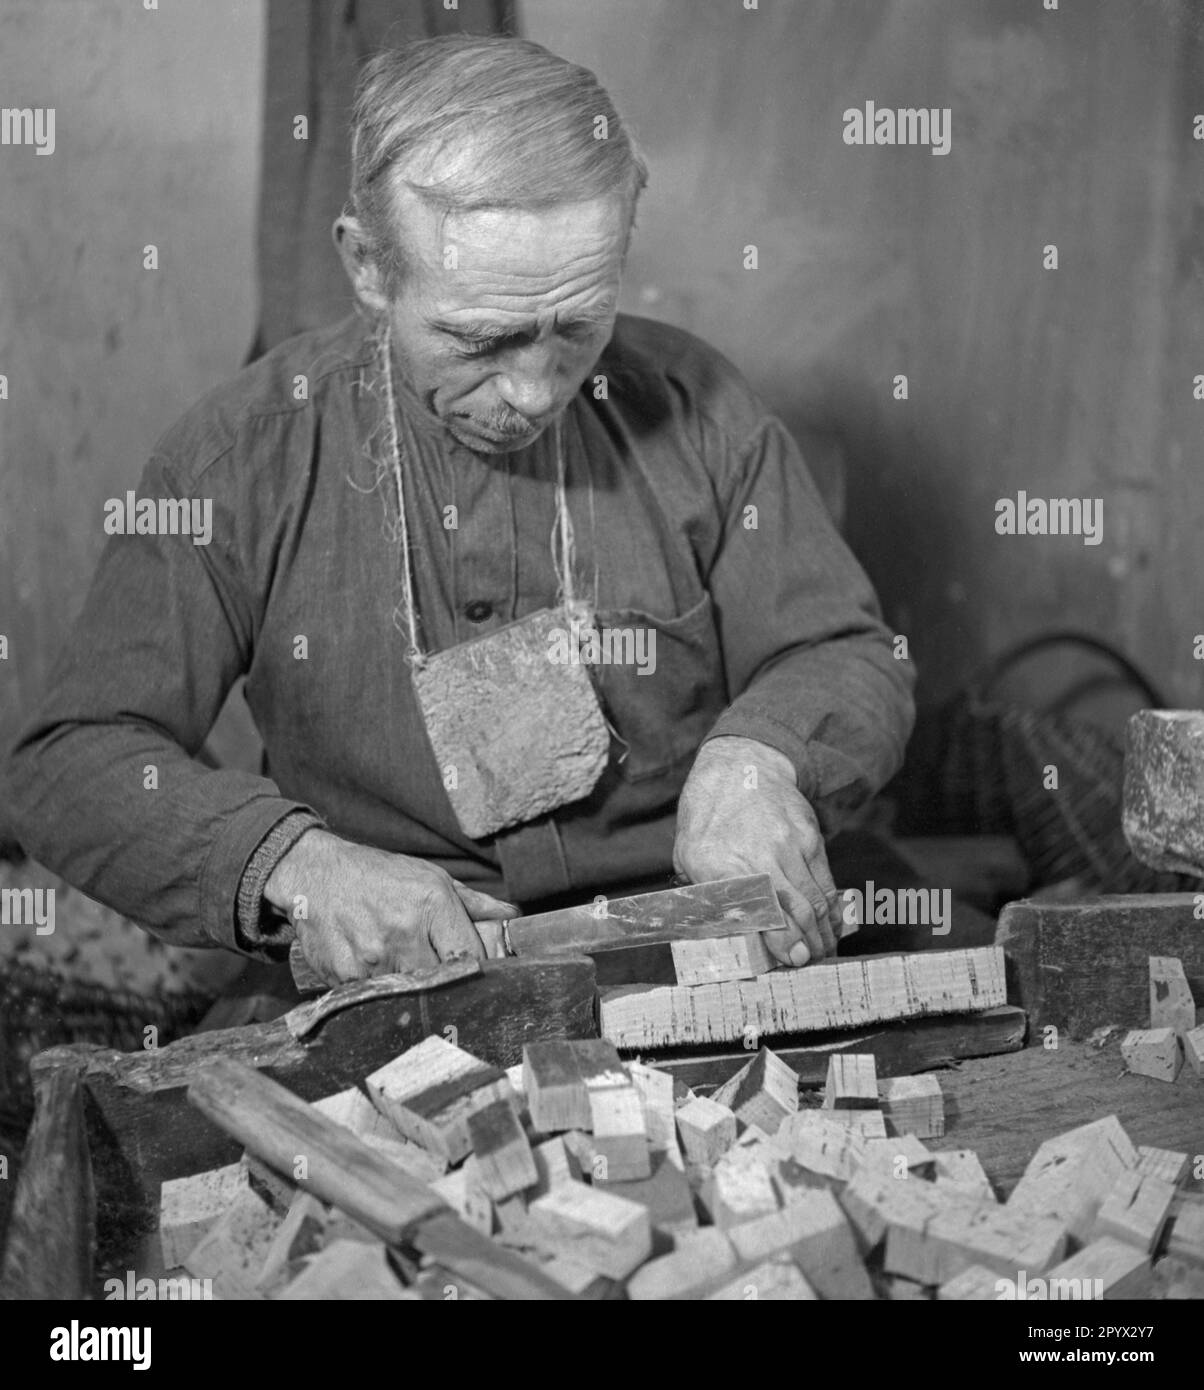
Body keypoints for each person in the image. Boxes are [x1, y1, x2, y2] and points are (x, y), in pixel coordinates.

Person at [3, 35, 914, 986]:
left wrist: (763, 758)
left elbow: (848, 652)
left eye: (577, 326)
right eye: (481, 338)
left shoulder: (700, 410)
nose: (532, 390)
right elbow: (71, 762)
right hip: (393, 978)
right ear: (368, 266)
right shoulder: (238, 462)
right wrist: (299, 868)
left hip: (699, 952)